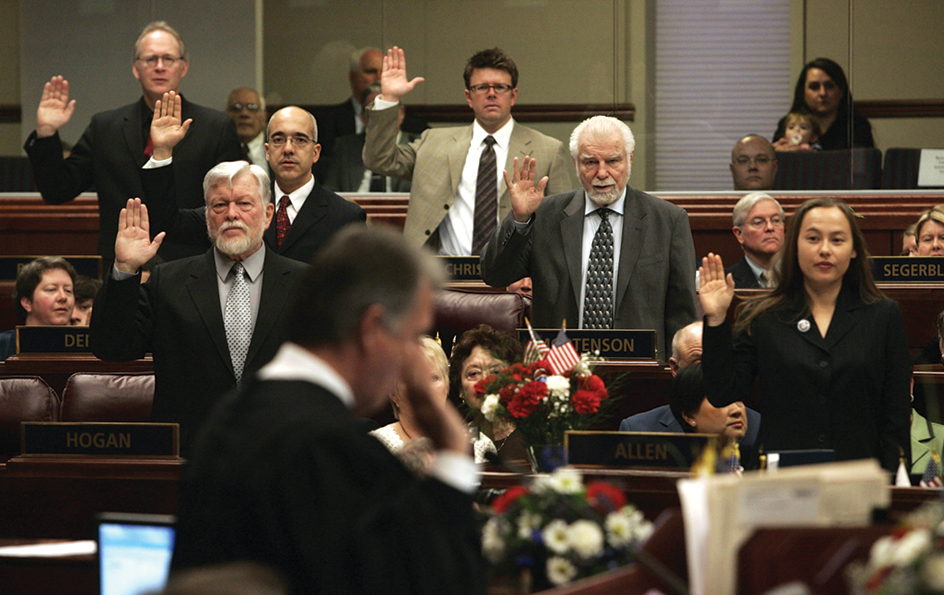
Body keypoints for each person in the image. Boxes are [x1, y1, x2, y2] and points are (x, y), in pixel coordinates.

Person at [170, 225, 487, 595]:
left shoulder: (230, 415)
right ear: (372, 329)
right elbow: (437, 581)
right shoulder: (334, 447)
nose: (409, 361)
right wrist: (453, 457)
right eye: (407, 338)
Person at [89, 161, 310, 455]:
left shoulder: (307, 284)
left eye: (244, 203)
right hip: (191, 457)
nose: (232, 214)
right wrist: (126, 269)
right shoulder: (168, 281)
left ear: (268, 214)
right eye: (219, 205)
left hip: (284, 454)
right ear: (207, 216)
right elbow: (112, 347)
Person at [699, 197, 911, 473]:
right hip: (781, 479)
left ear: (854, 250)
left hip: (859, 477)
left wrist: (894, 482)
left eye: (837, 240)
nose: (825, 250)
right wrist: (715, 320)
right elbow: (723, 393)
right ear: (794, 246)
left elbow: (895, 414)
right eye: (812, 239)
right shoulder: (763, 316)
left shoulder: (883, 316)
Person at [480, 115, 697, 359]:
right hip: (559, 373)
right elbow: (494, 274)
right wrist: (519, 219)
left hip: (641, 369)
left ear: (630, 158)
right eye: (590, 162)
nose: (602, 173)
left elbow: (682, 314)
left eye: (613, 161)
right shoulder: (544, 216)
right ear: (575, 162)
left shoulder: (668, 220)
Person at [24, 21, 242, 263]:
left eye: (168, 59)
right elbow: (57, 190)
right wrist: (46, 132)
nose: (159, 67)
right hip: (120, 265)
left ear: (184, 67)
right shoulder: (105, 127)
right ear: (136, 68)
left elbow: (231, 204)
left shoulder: (215, 128)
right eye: (150, 59)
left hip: (189, 266)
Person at [363, 46, 576, 256]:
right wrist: (389, 99)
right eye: (482, 87)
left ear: (513, 95)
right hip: (441, 277)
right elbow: (379, 160)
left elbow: (562, 225)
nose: (491, 94)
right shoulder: (433, 142)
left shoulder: (547, 149)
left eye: (500, 87)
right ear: (468, 97)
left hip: (515, 277)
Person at [141, 93, 366, 265]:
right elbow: (168, 223)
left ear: (316, 152)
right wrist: (161, 152)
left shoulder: (345, 217)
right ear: (267, 152)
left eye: (299, 140)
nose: (288, 149)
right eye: (278, 140)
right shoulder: (238, 206)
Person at [619, 363, 760, 447]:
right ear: (689, 416)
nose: (737, 410)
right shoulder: (641, 437)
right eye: (722, 401)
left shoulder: (762, 434)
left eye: (738, 399)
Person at [448, 324, 528, 464]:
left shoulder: (535, 439)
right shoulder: (452, 443)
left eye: (496, 372)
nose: (486, 381)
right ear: (460, 389)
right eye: (474, 373)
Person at [370, 335, 448, 474]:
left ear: (446, 387)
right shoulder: (377, 445)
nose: (425, 389)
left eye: (434, 378)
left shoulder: (473, 445)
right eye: (413, 380)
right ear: (393, 394)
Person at [324, 83, 416, 193]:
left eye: (387, 109)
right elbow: (330, 192)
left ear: (401, 113)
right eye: (375, 109)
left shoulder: (416, 146)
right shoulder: (344, 147)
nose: (381, 116)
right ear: (363, 117)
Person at [772, 58, 874, 152]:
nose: (823, 93)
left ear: (841, 91)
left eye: (829, 86)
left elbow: (862, 168)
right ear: (803, 92)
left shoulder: (857, 126)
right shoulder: (788, 125)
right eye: (814, 87)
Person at [0, 256, 77, 361]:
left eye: (68, 290)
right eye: (51, 289)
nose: (63, 297)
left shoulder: (90, 347)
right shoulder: (3, 345)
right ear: (27, 303)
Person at [725, 192, 786, 288]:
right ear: (739, 234)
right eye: (758, 222)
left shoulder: (804, 276)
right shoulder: (727, 282)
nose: (770, 227)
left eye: (776, 220)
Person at [225, 87, 268, 167]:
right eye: (236, 108)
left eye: (252, 108)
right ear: (225, 115)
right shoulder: (214, 150)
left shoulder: (278, 149)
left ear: (264, 117)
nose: (244, 114)